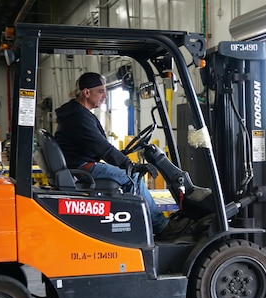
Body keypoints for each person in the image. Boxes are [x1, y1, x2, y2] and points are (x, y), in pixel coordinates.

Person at [54, 72, 189, 240]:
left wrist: (122, 158)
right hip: (83, 168)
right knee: (134, 177)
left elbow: (99, 146)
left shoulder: (77, 114)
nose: (105, 96)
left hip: (80, 164)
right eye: (101, 91)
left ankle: (142, 224)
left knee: (130, 173)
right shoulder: (78, 117)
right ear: (87, 93)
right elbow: (101, 146)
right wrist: (128, 164)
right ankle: (161, 227)